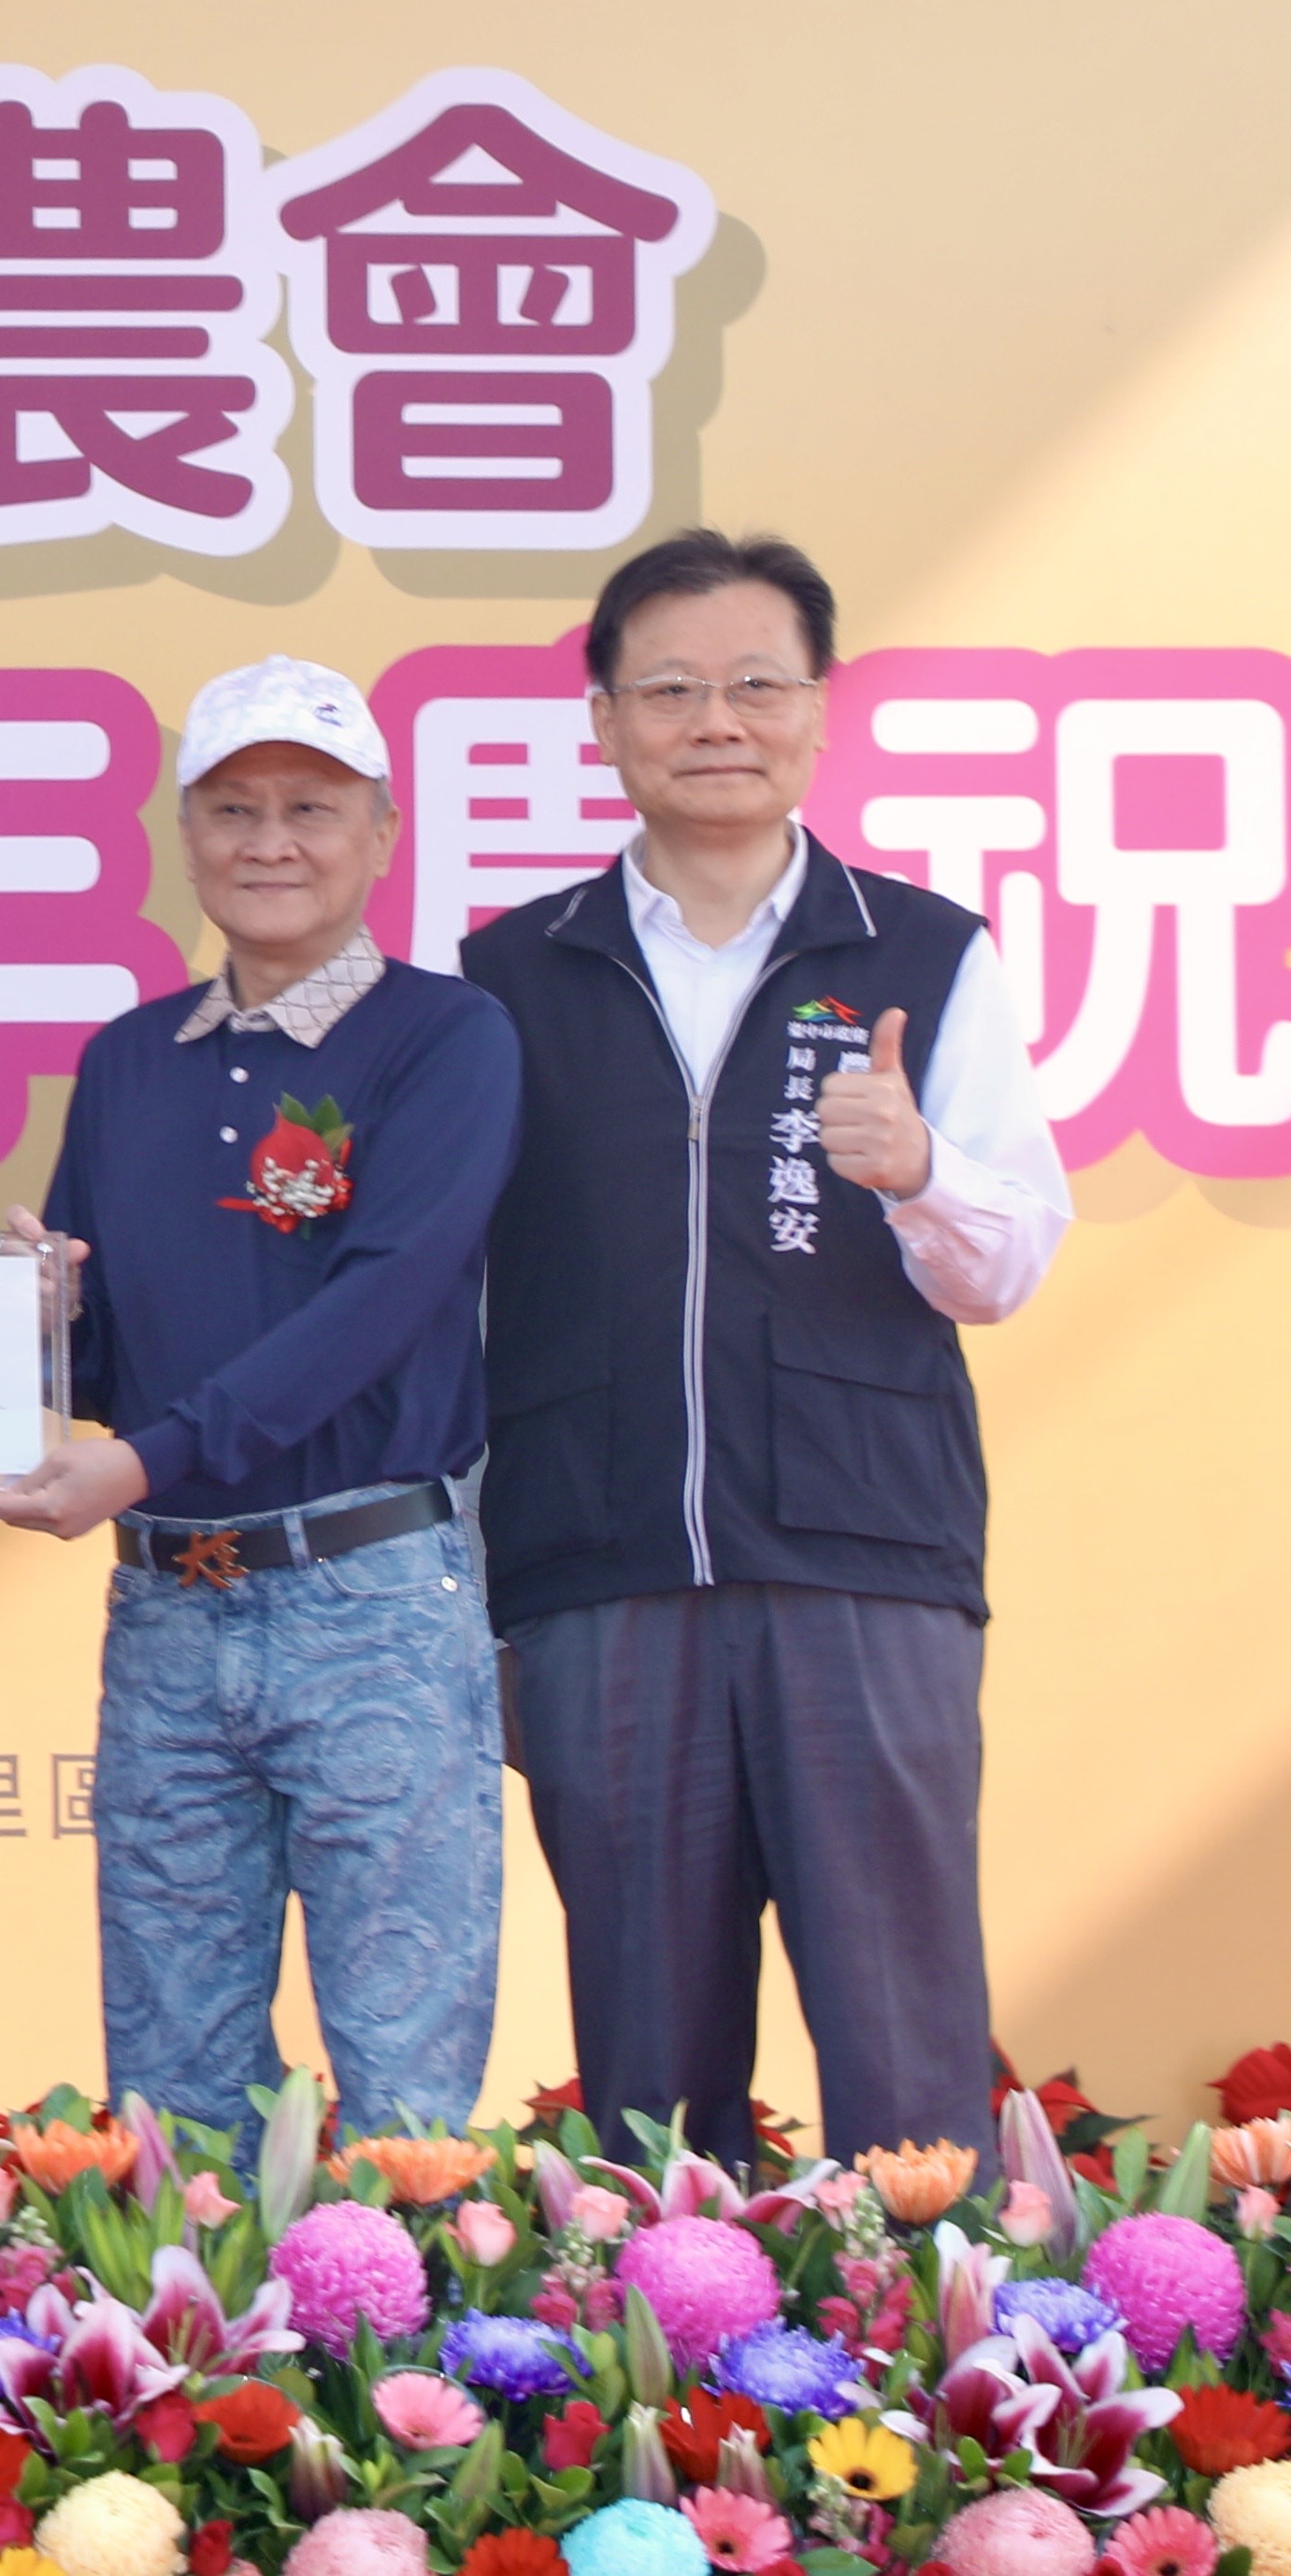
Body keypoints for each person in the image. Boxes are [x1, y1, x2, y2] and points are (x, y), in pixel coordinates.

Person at [460, 528, 1071, 2166]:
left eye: (755, 683)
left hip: (865, 1557)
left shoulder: (926, 951)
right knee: (647, 2064)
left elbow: (1011, 1261)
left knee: (906, 2036)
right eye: (670, 689)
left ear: (819, 706)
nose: (716, 720)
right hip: (597, 1562)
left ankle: (932, 2323)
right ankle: (673, 2328)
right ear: (604, 719)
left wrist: (920, 1170)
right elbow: (445, 1277)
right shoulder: (508, 974)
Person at [0, 656, 519, 2136]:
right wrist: (35, 1323)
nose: (271, 842)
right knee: (174, 2087)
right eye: (233, 809)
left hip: (371, 1600)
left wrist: (144, 1458)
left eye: (311, 809)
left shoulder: (446, 1038)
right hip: (169, 1605)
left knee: (406, 2096)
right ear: (188, 835)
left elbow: (382, 1302)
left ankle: (406, 2305)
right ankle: (212, 2302)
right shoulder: (129, 1060)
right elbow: (109, 1367)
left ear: (383, 833)